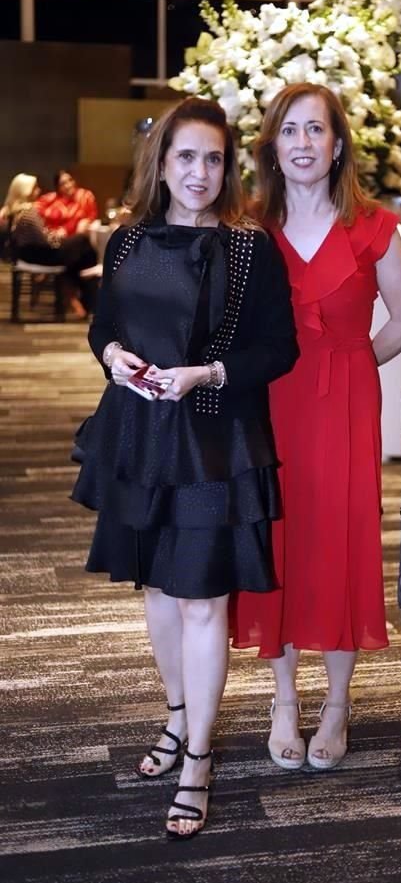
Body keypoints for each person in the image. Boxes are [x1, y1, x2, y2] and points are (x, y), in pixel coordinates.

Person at [71, 97, 298, 839]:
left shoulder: (248, 249)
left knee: (202, 598)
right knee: (160, 592)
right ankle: (176, 717)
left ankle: (198, 758)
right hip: (139, 435)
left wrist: (208, 374)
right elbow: (104, 325)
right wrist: (112, 356)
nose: (201, 172)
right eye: (187, 157)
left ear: (227, 168)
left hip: (213, 439)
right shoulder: (128, 240)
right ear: (161, 163)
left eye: (214, 159)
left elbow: (279, 349)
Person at [232, 83, 401, 770]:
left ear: (338, 144)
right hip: (270, 401)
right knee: (278, 538)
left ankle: (337, 703)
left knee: (342, 540)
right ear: (272, 146)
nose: (303, 143)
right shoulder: (250, 227)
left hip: (343, 403)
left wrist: (354, 360)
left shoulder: (373, 226)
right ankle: (284, 698)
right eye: (290, 130)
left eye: (316, 129)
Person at [2, 172, 97, 316]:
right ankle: (86, 298)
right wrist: (58, 236)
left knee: (79, 255)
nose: (39, 191)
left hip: (31, 252)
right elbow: (46, 241)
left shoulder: (16, 211)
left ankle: (77, 298)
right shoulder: (28, 212)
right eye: (35, 188)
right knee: (82, 243)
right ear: (26, 191)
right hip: (39, 255)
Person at [37, 169, 98, 237]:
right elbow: (36, 208)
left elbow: (91, 215)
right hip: (53, 235)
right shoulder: (52, 198)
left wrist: (66, 229)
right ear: (58, 187)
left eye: (70, 180)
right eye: (63, 184)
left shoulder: (85, 195)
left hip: (74, 235)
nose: (69, 185)